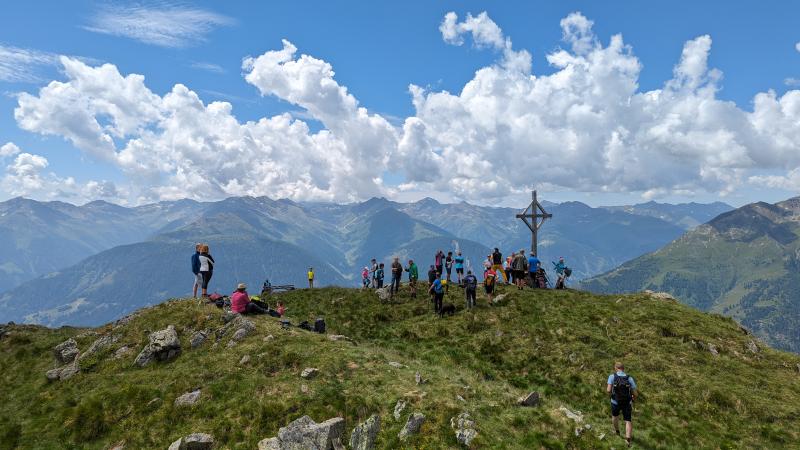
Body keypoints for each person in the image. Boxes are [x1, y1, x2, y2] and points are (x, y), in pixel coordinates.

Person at [607, 362, 638, 447]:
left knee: (615, 416)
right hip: (627, 402)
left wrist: (611, 396)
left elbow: (608, 390)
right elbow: (635, 393)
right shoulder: (629, 378)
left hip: (615, 402)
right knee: (628, 420)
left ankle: (617, 431)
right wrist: (633, 398)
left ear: (616, 368)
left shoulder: (612, 376)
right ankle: (628, 440)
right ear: (623, 369)